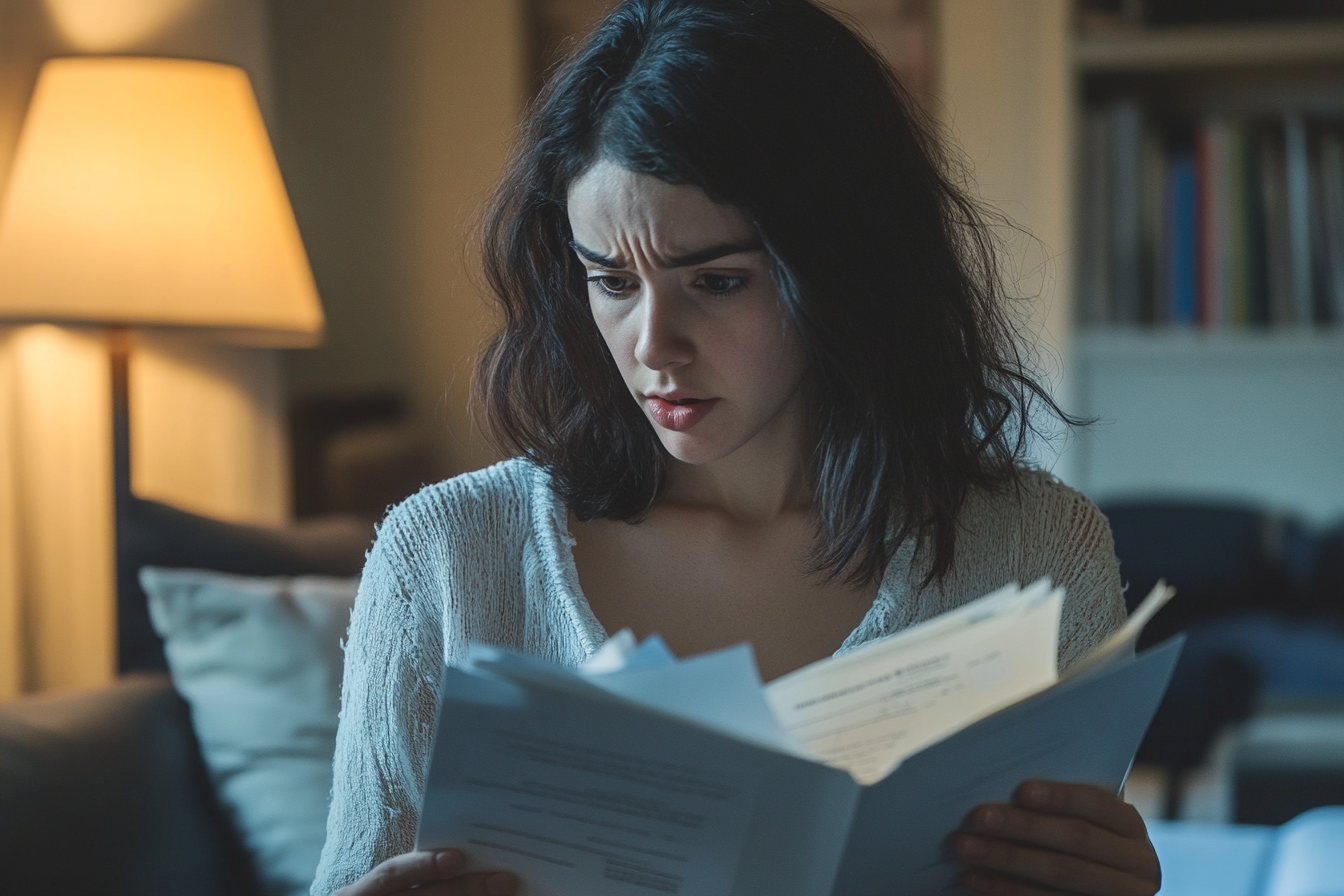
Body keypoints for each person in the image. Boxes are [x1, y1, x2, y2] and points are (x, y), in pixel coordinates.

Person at [313, 1, 1161, 894]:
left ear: (846, 267)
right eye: (610, 281)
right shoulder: (446, 557)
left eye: (717, 282)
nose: (652, 345)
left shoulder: (1035, 555)